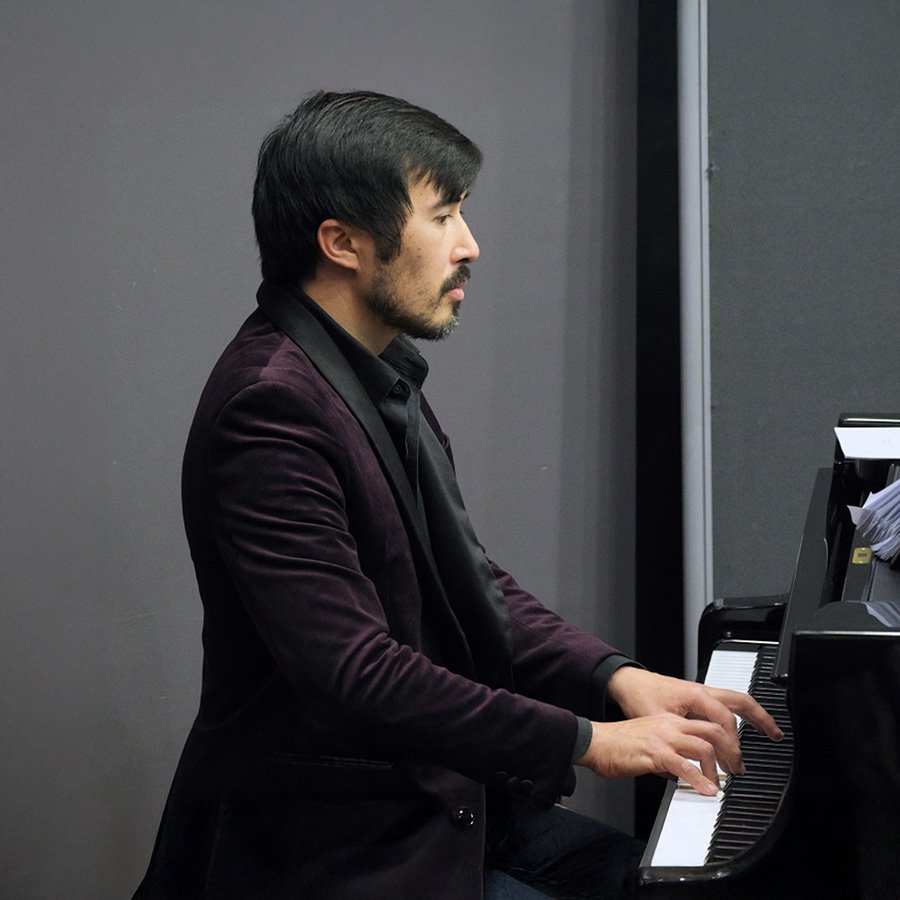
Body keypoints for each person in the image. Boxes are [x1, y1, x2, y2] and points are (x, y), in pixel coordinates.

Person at [133, 90, 782, 900]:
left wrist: (615, 678)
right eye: (442, 217)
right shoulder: (271, 408)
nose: (469, 245)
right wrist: (590, 742)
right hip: (335, 849)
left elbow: (469, 582)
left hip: (440, 801)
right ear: (342, 242)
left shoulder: (367, 371)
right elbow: (358, 674)